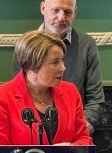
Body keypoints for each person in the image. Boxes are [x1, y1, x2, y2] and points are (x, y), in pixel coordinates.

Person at [13, 0, 105, 134]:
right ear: (43, 8)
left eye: (68, 12)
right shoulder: (25, 45)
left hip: (75, 133)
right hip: (31, 132)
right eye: (55, 10)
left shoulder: (86, 44)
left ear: (75, 13)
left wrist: (76, 133)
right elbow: (17, 94)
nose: (61, 17)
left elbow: (96, 99)